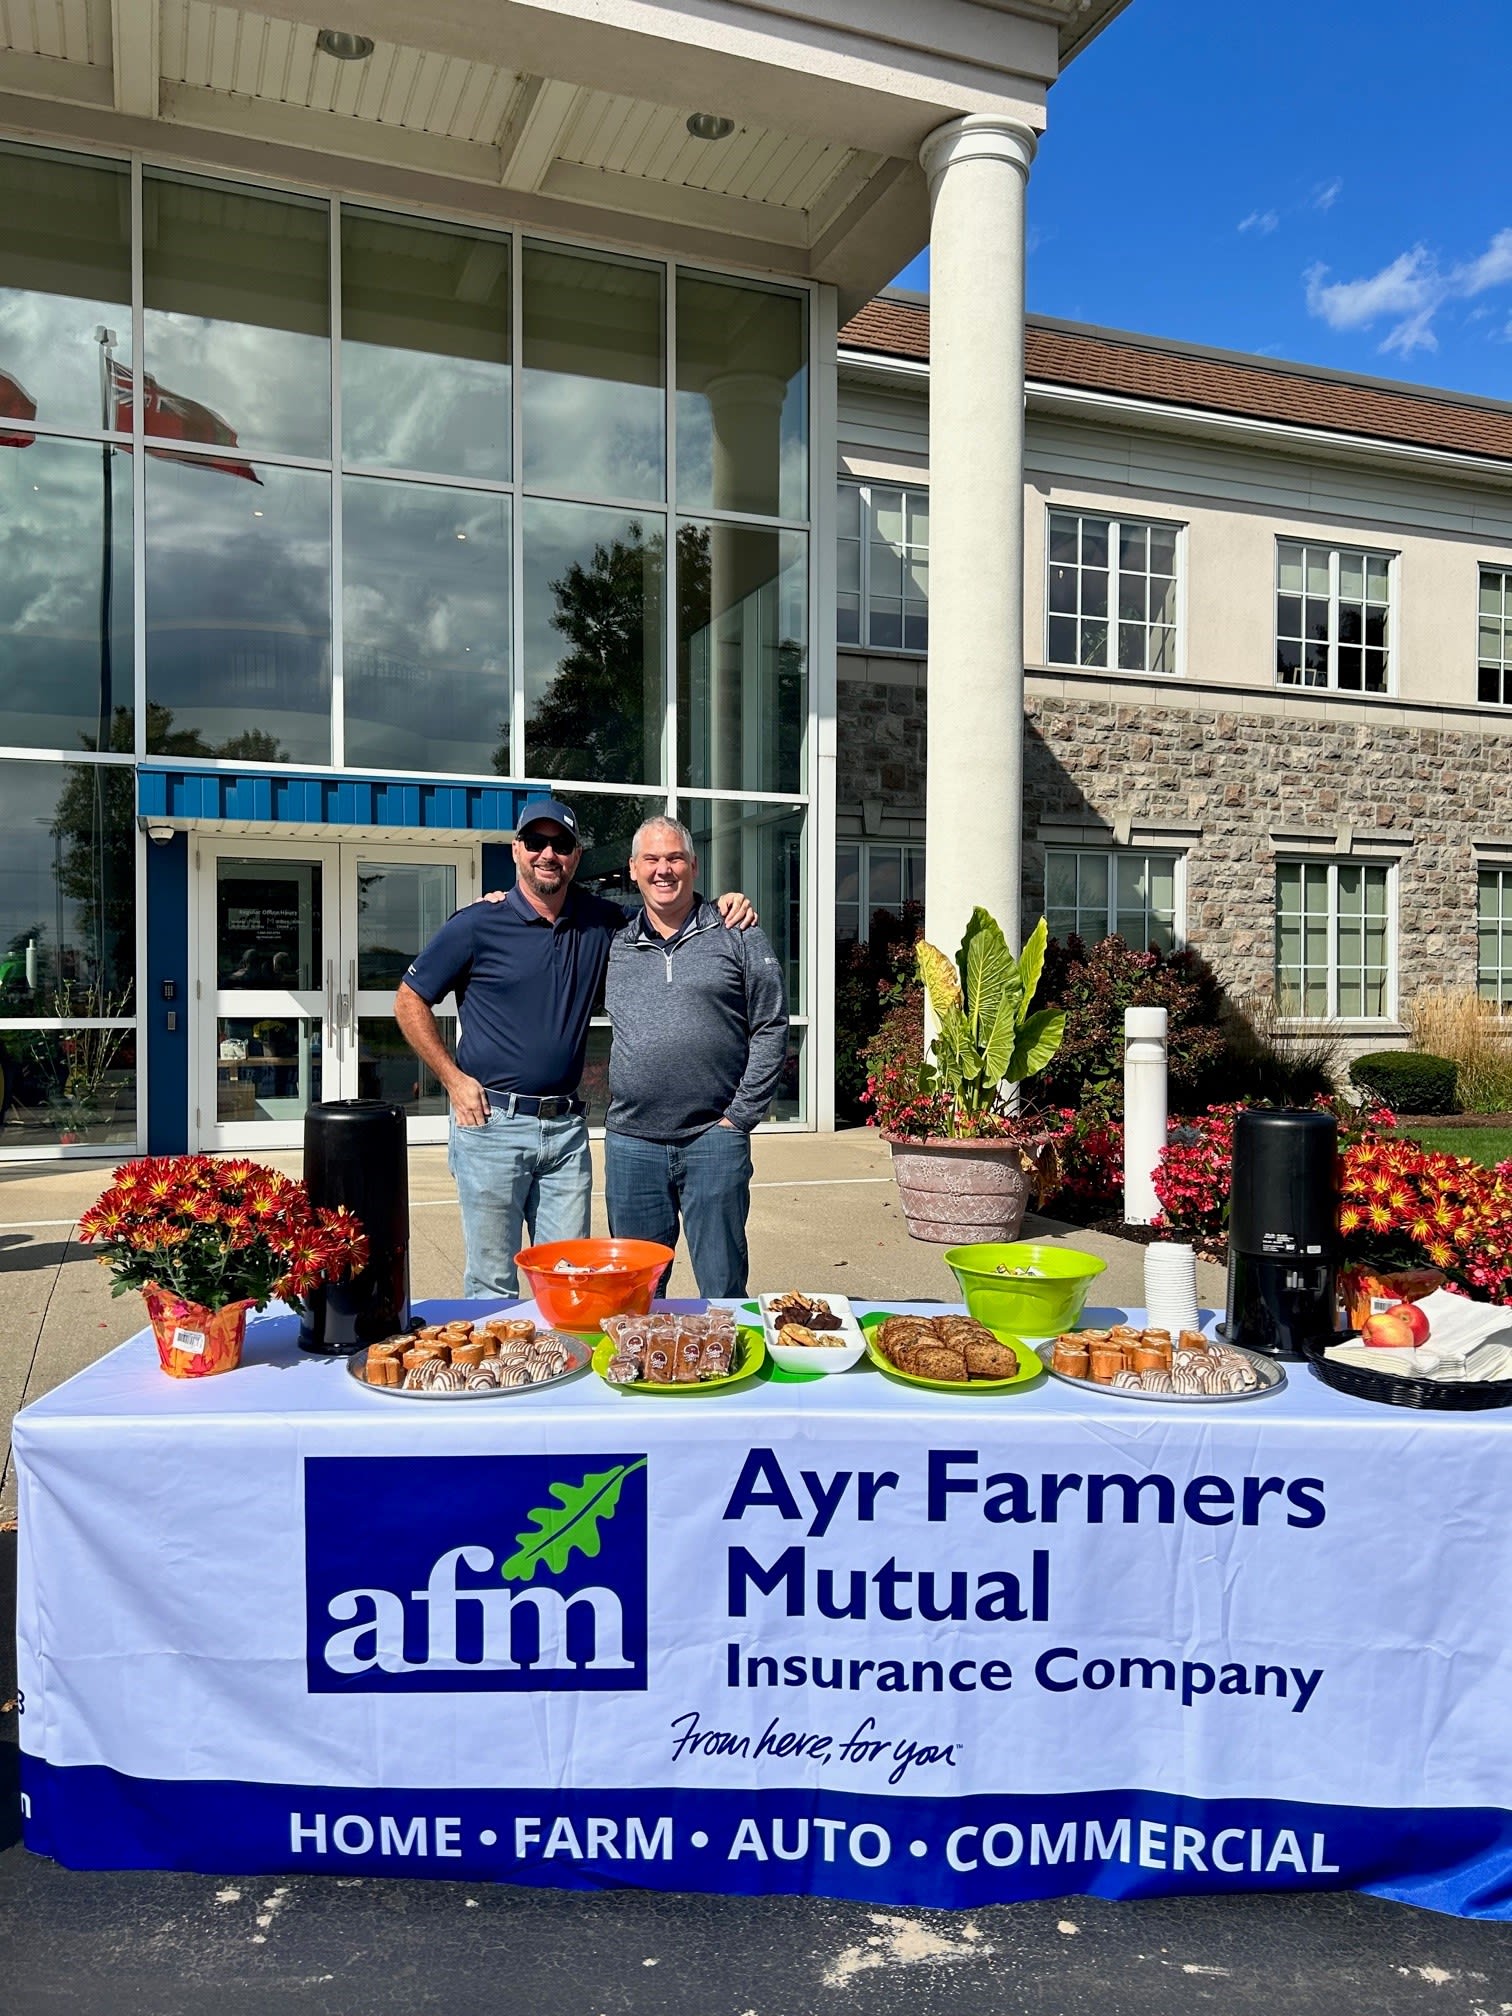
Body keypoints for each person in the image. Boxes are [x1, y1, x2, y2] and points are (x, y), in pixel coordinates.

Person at [394, 795, 754, 1300]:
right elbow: (409, 1000)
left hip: (565, 1133)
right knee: (491, 1284)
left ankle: (556, 1374)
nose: (548, 854)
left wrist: (723, 903)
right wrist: (452, 1079)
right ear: (517, 850)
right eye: (536, 842)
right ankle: (497, 1377)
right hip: (491, 1125)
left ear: (576, 855)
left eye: (560, 844)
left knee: (569, 1282)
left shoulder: (602, 921)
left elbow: (667, 902)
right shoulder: (476, 924)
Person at [603, 816, 788, 1298]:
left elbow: (770, 1024)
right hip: (632, 1143)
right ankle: (643, 1371)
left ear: (694, 865)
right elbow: (550, 907)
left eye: (674, 858)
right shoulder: (614, 940)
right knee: (634, 1294)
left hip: (713, 1139)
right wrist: (497, 899)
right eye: (652, 860)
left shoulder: (737, 932)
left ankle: (729, 1368)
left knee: (723, 1286)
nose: (663, 870)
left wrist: (740, 1117)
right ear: (633, 869)